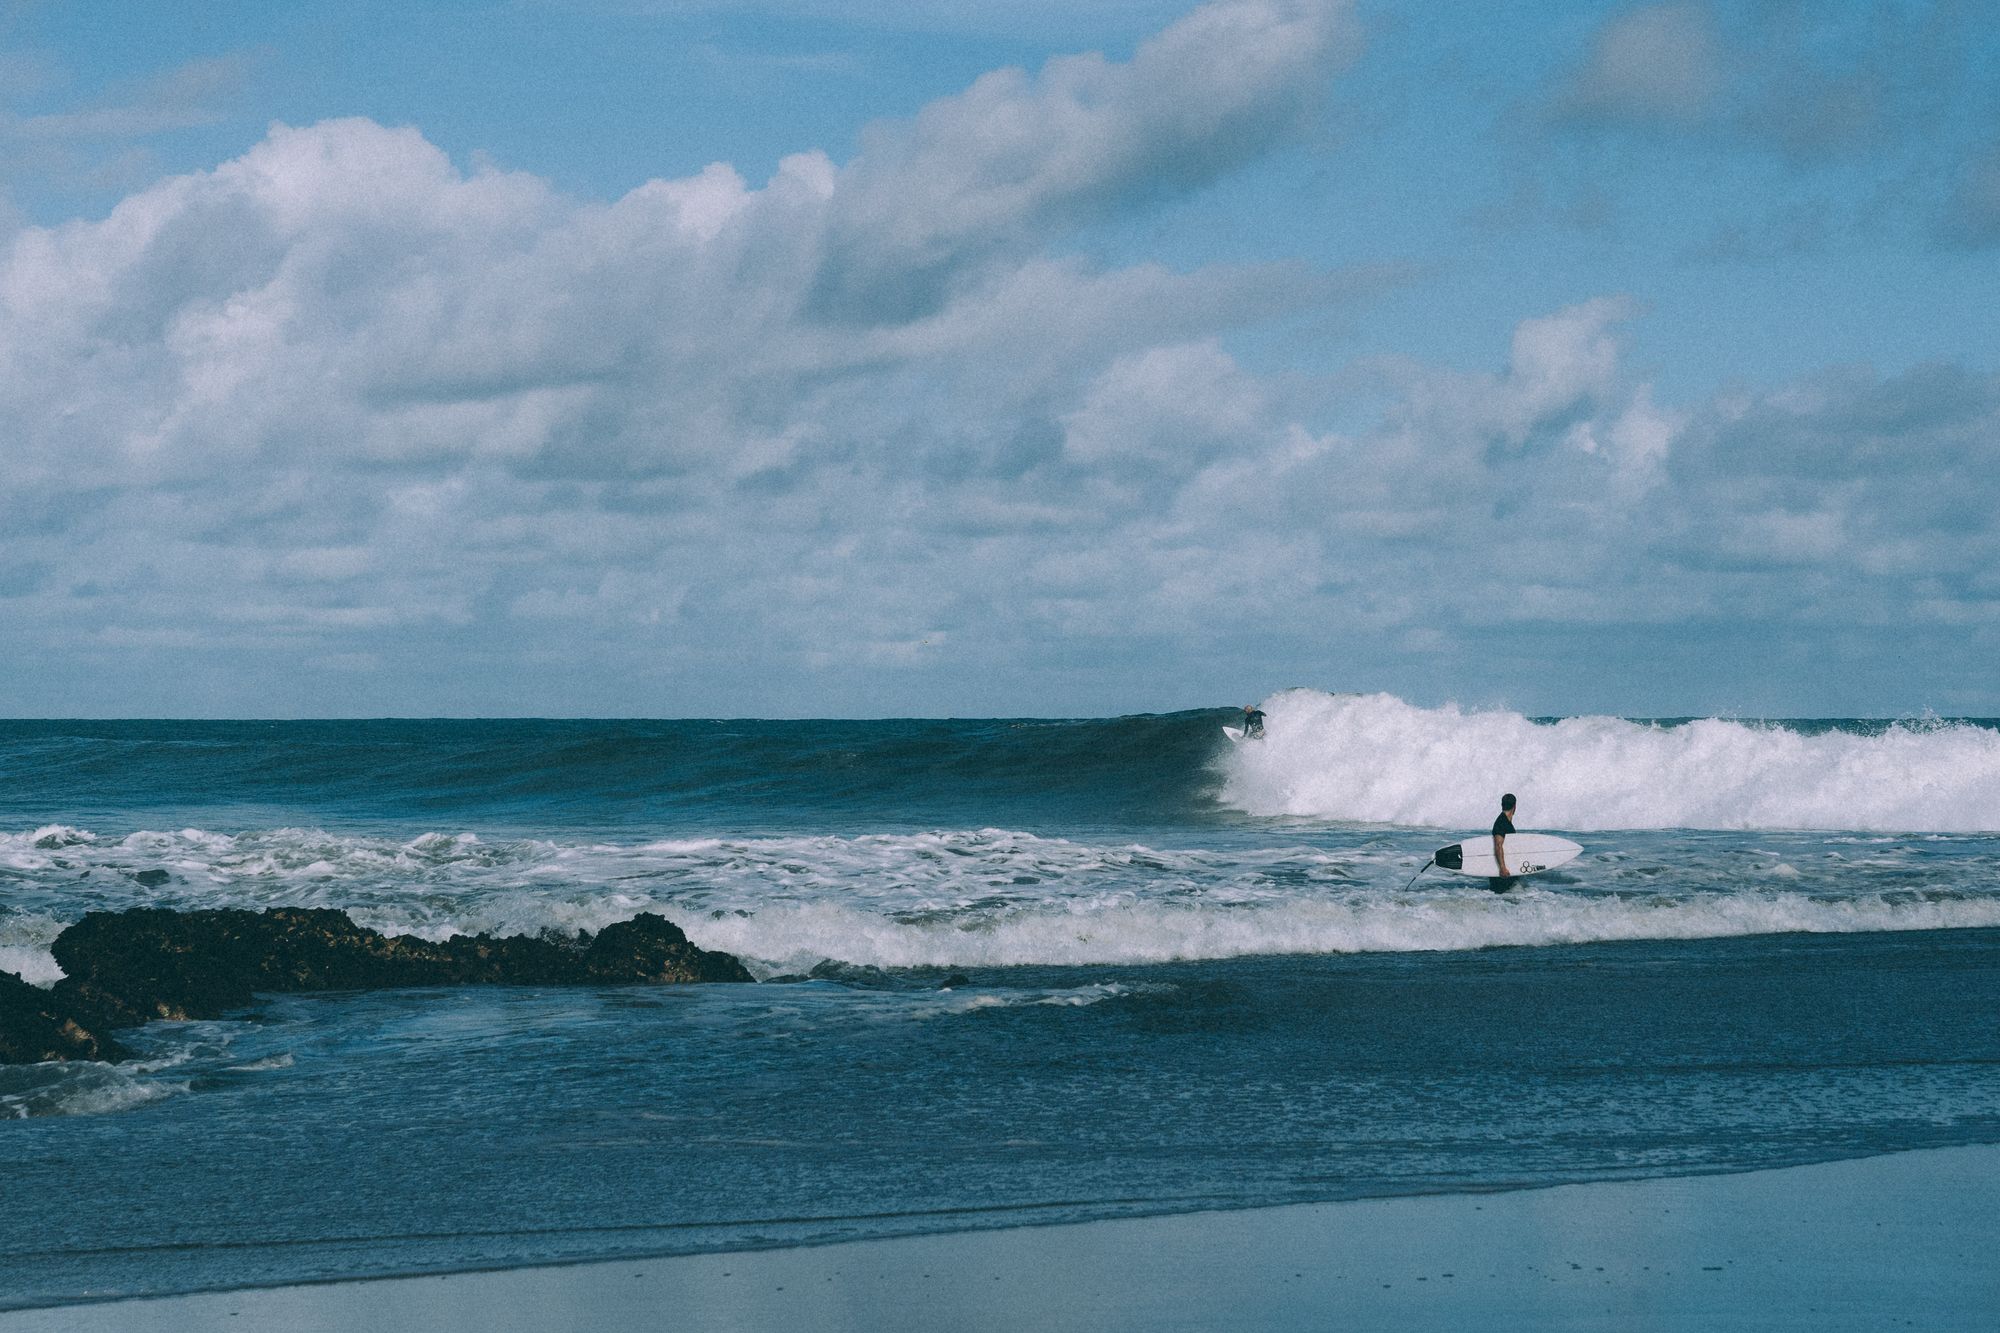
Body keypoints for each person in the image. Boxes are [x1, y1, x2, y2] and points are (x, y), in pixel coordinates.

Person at [1489, 792, 1518, 893]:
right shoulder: (1501, 822)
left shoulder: (1506, 822)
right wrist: (1502, 868)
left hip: (1507, 872)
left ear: (1502, 805)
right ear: (1515, 806)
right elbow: (1498, 845)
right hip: (1502, 876)